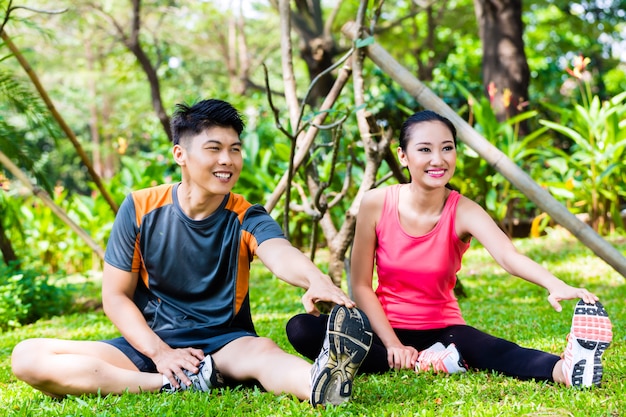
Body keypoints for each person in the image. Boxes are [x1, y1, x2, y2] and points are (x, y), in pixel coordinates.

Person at [11, 98, 373, 407]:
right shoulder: (140, 207)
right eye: (214, 149)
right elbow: (115, 296)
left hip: (224, 345)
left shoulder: (246, 215)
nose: (227, 160)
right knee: (28, 357)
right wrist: (160, 354)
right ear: (180, 154)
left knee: (265, 355)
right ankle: (171, 382)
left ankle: (319, 385)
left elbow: (279, 252)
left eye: (235, 149)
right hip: (150, 344)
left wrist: (315, 278)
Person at [286, 110, 613, 387]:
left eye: (447, 148)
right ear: (403, 156)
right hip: (382, 327)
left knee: (491, 350)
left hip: (444, 330)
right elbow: (359, 284)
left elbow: (509, 256)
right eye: (425, 150)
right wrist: (394, 344)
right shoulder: (375, 203)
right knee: (300, 328)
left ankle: (566, 369)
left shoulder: (464, 210)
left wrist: (555, 284)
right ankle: (420, 361)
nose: (438, 160)